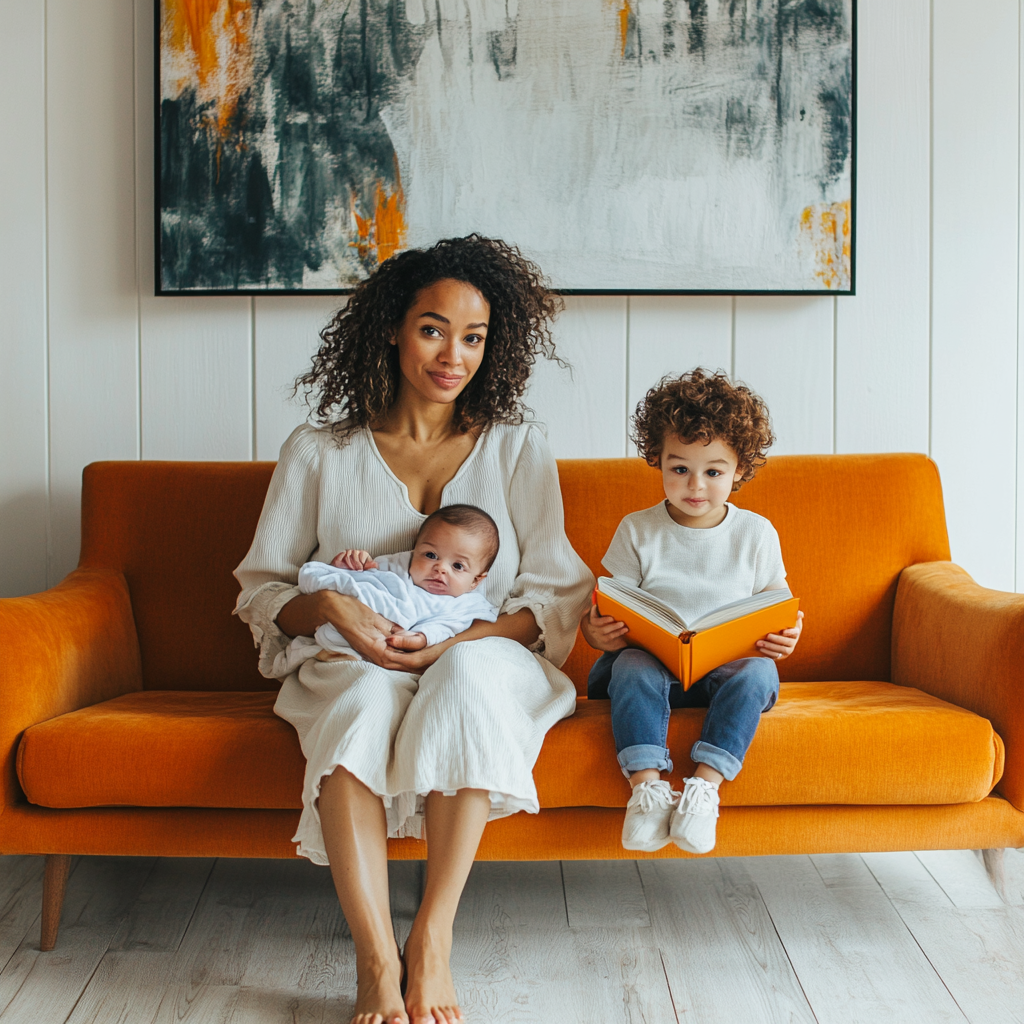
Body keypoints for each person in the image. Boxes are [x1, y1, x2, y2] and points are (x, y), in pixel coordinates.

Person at [233, 235, 593, 1024]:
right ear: (394, 328)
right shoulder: (319, 451)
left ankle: (430, 938)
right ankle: (373, 957)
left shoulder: (517, 446)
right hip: (353, 660)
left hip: (483, 655)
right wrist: (330, 607)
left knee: (465, 679)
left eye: (474, 337)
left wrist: (452, 645)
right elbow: (262, 589)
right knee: (362, 698)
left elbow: (556, 593)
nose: (453, 355)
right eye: (434, 329)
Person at [582, 369, 804, 856]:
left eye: (714, 471)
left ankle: (703, 788)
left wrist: (788, 634)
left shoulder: (756, 534)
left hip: (722, 671)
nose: (696, 486)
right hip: (648, 668)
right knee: (633, 665)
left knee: (759, 672)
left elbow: (779, 604)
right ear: (657, 460)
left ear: (740, 468)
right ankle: (647, 789)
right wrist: (599, 633)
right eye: (679, 469)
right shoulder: (638, 529)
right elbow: (606, 606)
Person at [274, 504, 501, 675]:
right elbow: (357, 583)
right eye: (430, 555)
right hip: (345, 648)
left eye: (458, 566)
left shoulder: (465, 604)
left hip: (403, 662)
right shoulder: (397, 567)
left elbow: (447, 628)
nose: (440, 568)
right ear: (415, 550)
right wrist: (347, 568)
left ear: (475, 581)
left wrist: (421, 639)